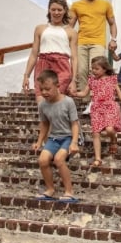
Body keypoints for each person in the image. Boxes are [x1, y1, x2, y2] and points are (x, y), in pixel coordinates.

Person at [74, 56, 121, 167]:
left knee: (110, 130)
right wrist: (75, 94)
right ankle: (98, 159)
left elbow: (119, 93)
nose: (93, 71)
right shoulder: (91, 80)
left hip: (110, 106)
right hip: (96, 108)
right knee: (96, 133)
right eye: (92, 68)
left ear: (105, 69)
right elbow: (84, 93)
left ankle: (113, 139)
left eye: (96, 69)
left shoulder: (112, 78)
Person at [69, 0, 118, 114]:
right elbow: (70, 26)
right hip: (81, 42)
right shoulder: (76, 5)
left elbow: (112, 23)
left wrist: (113, 39)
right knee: (81, 70)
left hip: (98, 41)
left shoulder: (105, 4)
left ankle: (94, 101)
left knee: (96, 71)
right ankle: (86, 102)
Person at [32, 69, 79, 202]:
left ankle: (69, 192)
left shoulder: (68, 102)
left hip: (68, 137)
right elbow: (44, 124)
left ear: (57, 86)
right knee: (42, 160)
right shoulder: (42, 105)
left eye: (48, 89)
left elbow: (75, 124)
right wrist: (39, 141)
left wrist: (74, 142)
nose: (44, 92)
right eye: (42, 89)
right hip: (53, 138)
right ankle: (50, 189)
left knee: (59, 159)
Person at [23, 0, 78, 104]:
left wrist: (74, 80)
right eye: (53, 9)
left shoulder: (71, 32)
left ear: (65, 11)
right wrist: (26, 76)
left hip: (62, 67)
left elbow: (74, 58)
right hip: (43, 65)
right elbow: (34, 54)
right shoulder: (40, 29)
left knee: (56, 104)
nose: (56, 12)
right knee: (42, 104)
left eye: (59, 10)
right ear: (49, 10)